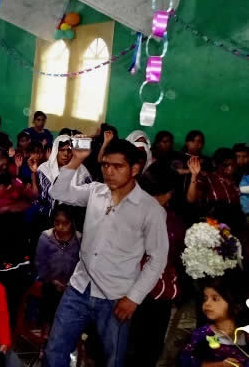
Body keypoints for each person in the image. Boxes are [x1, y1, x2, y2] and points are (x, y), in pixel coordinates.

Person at [43, 138, 168, 367]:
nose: (109, 171)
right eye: (105, 165)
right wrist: (76, 161)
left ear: (135, 169)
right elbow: (58, 191)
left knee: (113, 358)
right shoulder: (96, 191)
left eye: (117, 166)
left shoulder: (150, 210)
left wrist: (133, 298)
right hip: (80, 287)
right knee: (55, 349)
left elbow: (157, 259)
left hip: (116, 296)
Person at [126, 163, 185, 367]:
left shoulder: (169, 218)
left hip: (154, 291)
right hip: (136, 290)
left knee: (146, 345)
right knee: (138, 345)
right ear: (169, 192)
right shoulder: (167, 220)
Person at [178, 272, 249, 367]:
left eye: (215, 299)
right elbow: (185, 361)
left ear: (235, 303)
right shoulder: (202, 334)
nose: (207, 303)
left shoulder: (245, 334)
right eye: (205, 299)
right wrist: (219, 365)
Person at [35, 206, 81, 339]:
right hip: (49, 283)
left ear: (72, 222)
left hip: (72, 284)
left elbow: (82, 264)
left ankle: (65, 337)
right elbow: (40, 263)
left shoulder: (79, 239)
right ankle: (46, 335)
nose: (60, 227)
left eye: (65, 223)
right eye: (57, 222)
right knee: (50, 299)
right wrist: (52, 280)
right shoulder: (46, 237)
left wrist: (70, 283)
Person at [32, 135, 92, 220]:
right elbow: (47, 197)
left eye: (69, 150)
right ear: (55, 151)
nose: (66, 154)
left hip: (76, 215)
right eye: (61, 150)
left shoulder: (82, 170)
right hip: (49, 213)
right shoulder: (45, 169)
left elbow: (89, 196)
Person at [235, 143, 249, 215]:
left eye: (245, 156)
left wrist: (240, 190)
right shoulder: (229, 173)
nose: (241, 160)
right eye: (238, 157)